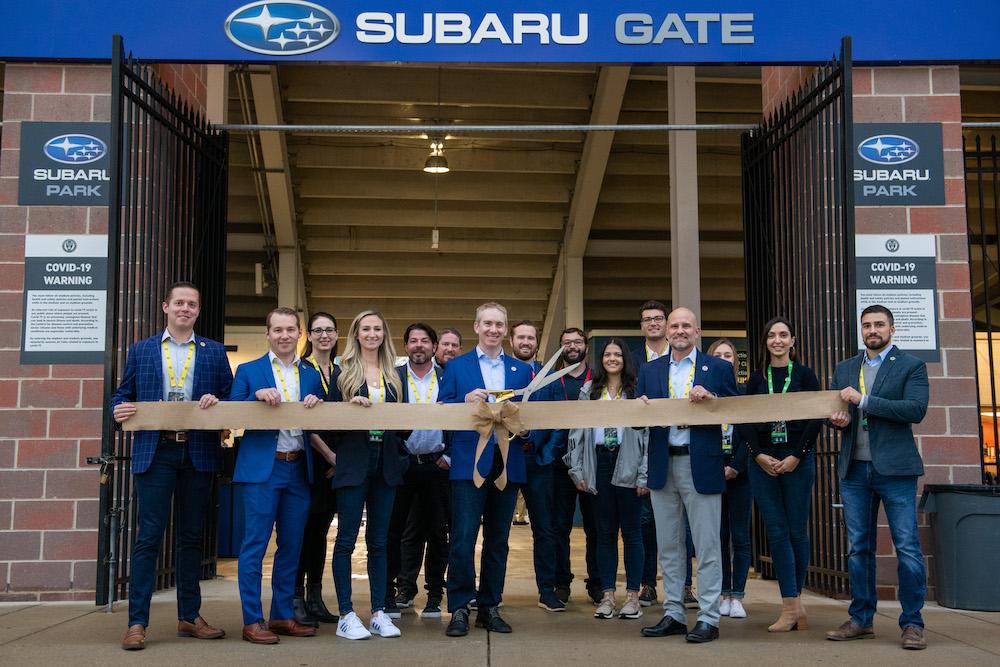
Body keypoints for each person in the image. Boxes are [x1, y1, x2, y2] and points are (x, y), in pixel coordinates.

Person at [112, 281, 233, 651]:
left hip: (197, 452)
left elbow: (232, 395)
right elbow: (122, 394)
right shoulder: (143, 350)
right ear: (166, 307)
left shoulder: (213, 353)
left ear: (198, 310)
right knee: (148, 538)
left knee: (191, 538)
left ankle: (189, 616)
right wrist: (118, 410)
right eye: (179, 302)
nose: (185, 308)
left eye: (192, 304)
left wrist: (220, 401)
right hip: (157, 451)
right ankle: (137, 623)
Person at [826, 305, 930, 651]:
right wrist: (836, 420)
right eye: (867, 325)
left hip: (896, 470)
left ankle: (913, 624)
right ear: (861, 329)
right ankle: (861, 619)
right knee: (859, 549)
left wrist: (865, 400)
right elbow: (834, 411)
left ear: (892, 329)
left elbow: (914, 410)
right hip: (854, 469)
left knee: (908, 549)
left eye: (879, 325)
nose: (873, 330)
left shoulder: (910, 366)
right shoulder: (845, 368)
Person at [637, 307, 738, 644]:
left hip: (702, 465)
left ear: (697, 332)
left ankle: (709, 618)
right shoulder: (650, 370)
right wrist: (641, 409)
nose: (679, 331)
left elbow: (738, 409)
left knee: (708, 545)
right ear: (666, 331)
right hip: (663, 464)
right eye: (674, 325)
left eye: (686, 326)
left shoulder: (718, 368)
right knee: (669, 546)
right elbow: (638, 421)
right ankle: (674, 614)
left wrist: (714, 400)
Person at [440, 302, 534, 637]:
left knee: (499, 539)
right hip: (469, 463)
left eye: (499, 324)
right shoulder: (456, 367)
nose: (493, 329)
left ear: (505, 331)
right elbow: (442, 412)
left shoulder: (521, 371)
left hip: (507, 464)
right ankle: (460, 607)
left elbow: (533, 419)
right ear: (476, 327)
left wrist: (521, 425)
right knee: (464, 538)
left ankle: (490, 605)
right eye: (488, 323)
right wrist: (463, 401)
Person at [232, 307, 323, 645]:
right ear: (267, 334)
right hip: (261, 470)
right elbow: (231, 408)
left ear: (300, 334)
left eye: (290, 330)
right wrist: (253, 397)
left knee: (291, 547)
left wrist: (318, 401)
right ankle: (252, 620)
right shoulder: (248, 370)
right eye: (278, 330)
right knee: (254, 546)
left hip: (298, 468)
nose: (284, 335)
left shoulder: (311, 375)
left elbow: (323, 416)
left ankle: (282, 615)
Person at [328, 310, 406, 640]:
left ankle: (378, 612)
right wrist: (350, 408)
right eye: (366, 329)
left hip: (385, 463)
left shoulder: (395, 373)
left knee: (379, 542)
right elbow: (328, 423)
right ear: (356, 335)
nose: (372, 334)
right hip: (354, 461)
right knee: (346, 540)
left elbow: (405, 425)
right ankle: (346, 613)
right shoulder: (342, 371)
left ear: (384, 334)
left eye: (378, 328)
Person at [744, 319, 821, 631]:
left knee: (797, 532)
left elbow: (817, 417)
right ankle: (792, 606)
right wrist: (759, 455)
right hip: (762, 462)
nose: (777, 340)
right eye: (772, 335)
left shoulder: (805, 375)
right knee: (776, 531)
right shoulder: (757, 379)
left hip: (797, 461)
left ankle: (794, 604)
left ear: (793, 340)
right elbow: (744, 419)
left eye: (783, 335)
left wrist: (795, 456)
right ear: (765, 341)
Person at [565, 338, 649, 620]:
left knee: (633, 533)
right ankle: (608, 596)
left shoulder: (637, 390)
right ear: (601, 359)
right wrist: (577, 470)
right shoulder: (590, 390)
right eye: (607, 354)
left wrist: (644, 473)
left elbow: (647, 435)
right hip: (599, 462)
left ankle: (633, 597)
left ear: (625, 358)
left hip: (629, 461)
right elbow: (576, 432)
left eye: (618, 354)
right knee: (604, 534)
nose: (612, 359)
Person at [385, 323, 450, 620]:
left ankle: (435, 594)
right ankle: (398, 591)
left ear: (435, 346)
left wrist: (448, 456)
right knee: (397, 531)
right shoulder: (393, 378)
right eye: (413, 341)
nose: (419, 345)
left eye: (425, 340)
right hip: (404, 465)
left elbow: (464, 419)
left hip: (438, 466)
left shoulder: (449, 378)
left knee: (438, 531)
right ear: (406, 346)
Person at [506, 319, 563, 611]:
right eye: (521, 337)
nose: (526, 342)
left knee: (545, 529)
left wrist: (546, 455)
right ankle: (492, 592)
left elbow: (559, 422)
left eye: (531, 338)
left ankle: (547, 590)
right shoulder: (500, 373)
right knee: (499, 529)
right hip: (506, 459)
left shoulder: (548, 377)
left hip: (538, 462)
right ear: (511, 340)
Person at [542, 327, 601, 605]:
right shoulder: (551, 381)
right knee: (558, 527)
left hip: (591, 462)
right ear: (561, 348)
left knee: (596, 526)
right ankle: (561, 582)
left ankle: (598, 582)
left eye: (578, 342)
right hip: (558, 463)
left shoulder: (598, 381)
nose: (573, 346)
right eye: (567, 342)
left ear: (586, 347)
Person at [293, 312, 340, 627]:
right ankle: (294, 598)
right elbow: (300, 420)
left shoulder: (342, 371)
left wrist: (341, 461)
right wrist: (330, 455)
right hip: (309, 463)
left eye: (329, 330)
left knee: (321, 532)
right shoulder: (299, 370)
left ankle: (315, 596)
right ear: (308, 336)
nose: (324, 335)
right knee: (300, 531)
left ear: (337, 335)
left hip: (335, 468)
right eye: (318, 330)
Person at [706, 338, 751, 620]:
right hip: (712, 471)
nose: (723, 359)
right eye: (717, 355)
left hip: (740, 472)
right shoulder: (705, 393)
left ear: (735, 360)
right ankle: (723, 592)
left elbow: (750, 435)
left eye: (728, 354)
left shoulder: (743, 393)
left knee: (741, 536)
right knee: (717, 536)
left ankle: (738, 595)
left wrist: (736, 465)